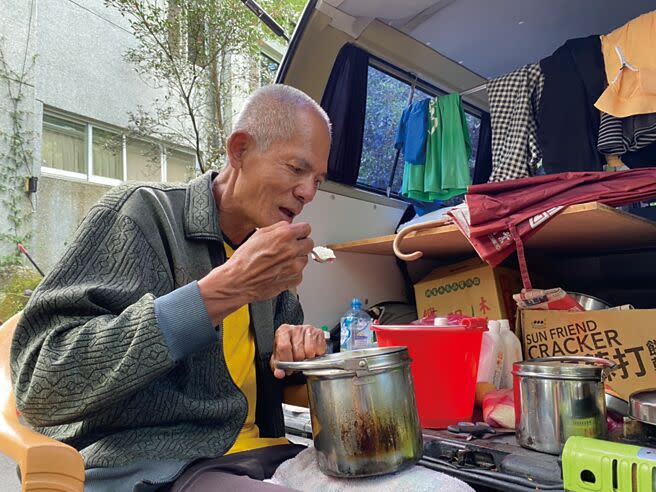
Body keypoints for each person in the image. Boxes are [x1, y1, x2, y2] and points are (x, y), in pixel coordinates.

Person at [11, 84, 332, 491]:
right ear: (239, 150)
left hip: (266, 456)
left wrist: (301, 352)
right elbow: (42, 384)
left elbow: (283, 379)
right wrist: (222, 291)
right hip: (160, 466)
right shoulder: (139, 216)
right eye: (296, 169)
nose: (308, 192)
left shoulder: (270, 253)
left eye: (317, 180)